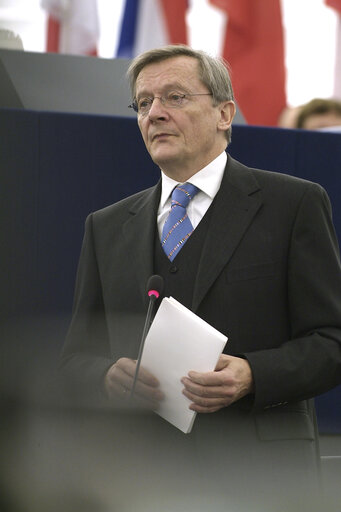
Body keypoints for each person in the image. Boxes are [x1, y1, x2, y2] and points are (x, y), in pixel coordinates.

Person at [60, 45, 341, 511]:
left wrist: (253, 373)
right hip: (136, 478)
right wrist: (106, 377)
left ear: (224, 113)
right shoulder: (106, 226)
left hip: (262, 477)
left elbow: (332, 340)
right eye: (144, 103)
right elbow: (73, 358)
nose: (156, 114)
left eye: (174, 97)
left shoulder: (293, 205)